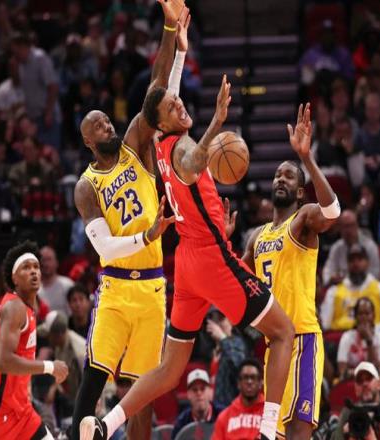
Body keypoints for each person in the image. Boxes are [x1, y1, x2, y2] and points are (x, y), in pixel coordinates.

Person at [82, 32, 296, 440]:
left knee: (169, 369)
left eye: (177, 102)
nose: (179, 105)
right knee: (283, 332)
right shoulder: (180, 148)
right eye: (172, 107)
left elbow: (165, 95)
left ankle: (107, 424)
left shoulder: (160, 140)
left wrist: (179, 50)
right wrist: (217, 122)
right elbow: (195, 162)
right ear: (162, 122)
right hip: (211, 258)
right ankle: (269, 432)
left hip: (187, 261)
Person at [71, 4, 189, 440]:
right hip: (116, 288)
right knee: (94, 380)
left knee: (142, 396)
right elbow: (104, 247)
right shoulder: (86, 186)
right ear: (88, 141)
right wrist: (148, 233)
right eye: (99, 126)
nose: (107, 125)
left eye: (107, 120)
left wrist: (170, 29)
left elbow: (158, 90)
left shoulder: (136, 144)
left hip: (153, 287)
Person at [242, 103, 340, 439]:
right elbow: (235, 278)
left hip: (302, 339)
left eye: (288, 175)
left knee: (298, 433)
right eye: (276, 175)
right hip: (274, 348)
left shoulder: (303, 219)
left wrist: (306, 158)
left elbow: (333, 211)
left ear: (299, 191)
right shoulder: (257, 237)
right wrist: (222, 241)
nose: (280, 179)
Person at [0, 241, 68, 439]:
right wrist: (50, 367)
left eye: (36, 267)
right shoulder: (14, 307)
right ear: (14, 278)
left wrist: (0, 346)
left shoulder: (24, 308)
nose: (33, 271)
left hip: (22, 409)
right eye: (26, 267)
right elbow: (5, 363)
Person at [320, 244, 380, 333]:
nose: (356, 263)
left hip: (373, 335)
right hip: (340, 336)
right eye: (352, 260)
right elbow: (325, 324)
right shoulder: (333, 291)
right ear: (347, 264)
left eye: (360, 259)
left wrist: (369, 329)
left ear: (367, 263)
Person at [332, 362, 380, 440]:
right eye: (359, 381)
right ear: (356, 389)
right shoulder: (348, 412)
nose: (364, 384)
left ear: (379, 385)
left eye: (369, 378)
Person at [322, 210, 380, 287]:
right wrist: (331, 278)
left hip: (366, 288)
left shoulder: (370, 246)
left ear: (357, 225)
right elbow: (328, 271)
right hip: (342, 289)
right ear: (340, 228)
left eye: (351, 225)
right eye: (345, 226)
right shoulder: (336, 248)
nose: (348, 230)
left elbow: (376, 273)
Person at [337, 297, 380, 379]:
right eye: (360, 314)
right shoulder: (347, 337)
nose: (364, 317)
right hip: (352, 381)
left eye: (367, 314)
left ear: (373, 316)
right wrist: (364, 373)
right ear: (355, 317)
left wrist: (369, 340)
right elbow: (342, 371)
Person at [212, 358, 265, 440]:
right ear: (238, 383)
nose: (249, 382)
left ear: (261, 382)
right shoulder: (224, 417)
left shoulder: (269, 413)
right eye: (245, 377)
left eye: (253, 377)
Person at [206, 308, 248, 407]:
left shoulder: (238, 343)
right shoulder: (210, 349)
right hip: (214, 408)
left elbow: (239, 366)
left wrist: (222, 338)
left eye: (221, 319)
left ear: (231, 321)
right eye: (214, 321)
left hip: (231, 407)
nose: (218, 325)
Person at [171, 368, 224, 439]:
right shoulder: (181, 424)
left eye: (202, 389)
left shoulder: (223, 416)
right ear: (188, 394)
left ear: (210, 392)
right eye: (194, 390)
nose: (199, 393)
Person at [38, 245, 74, 314]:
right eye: (43, 260)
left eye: (49, 259)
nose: (46, 264)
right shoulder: (35, 290)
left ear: (56, 263)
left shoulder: (67, 285)